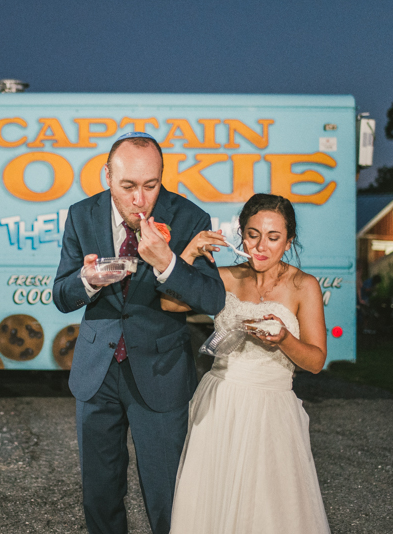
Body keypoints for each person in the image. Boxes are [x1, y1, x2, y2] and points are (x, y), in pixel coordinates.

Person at [52, 132, 226, 534]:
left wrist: (167, 264)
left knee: (167, 496)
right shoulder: (82, 215)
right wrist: (88, 281)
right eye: (128, 186)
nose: (139, 199)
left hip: (161, 371)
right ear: (107, 176)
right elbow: (61, 295)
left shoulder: (189, 218)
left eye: (150, 186)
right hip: (97, 373)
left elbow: (213, 298)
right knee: (99, 493)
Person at [162, 194, 331, 533]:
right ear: (242, 234)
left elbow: (315, 361)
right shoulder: (224, 277)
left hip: (272, 407)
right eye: (253, 234)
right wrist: (190, 253)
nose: (261, 246)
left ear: (288, 240)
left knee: (268, 507)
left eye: (273, 237)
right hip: (220, 400)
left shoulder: (304, 286)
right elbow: (169, 305)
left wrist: (284, 339)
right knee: (212, 499)